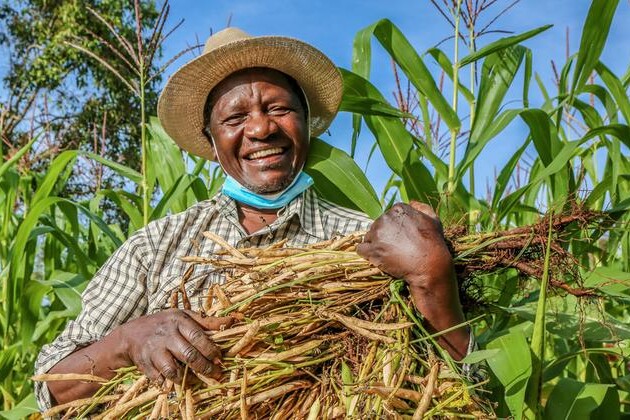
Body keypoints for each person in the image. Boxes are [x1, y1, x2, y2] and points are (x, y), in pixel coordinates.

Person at [35, 27, 471, 411]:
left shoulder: (368, 245)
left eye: (280, 109)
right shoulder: (158, 245)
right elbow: (50, 386)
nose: (261, 129)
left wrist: (432, 275)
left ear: (306, 124)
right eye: (236, 117)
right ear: (211, 138)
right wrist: (126, 342)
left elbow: (463, 392)